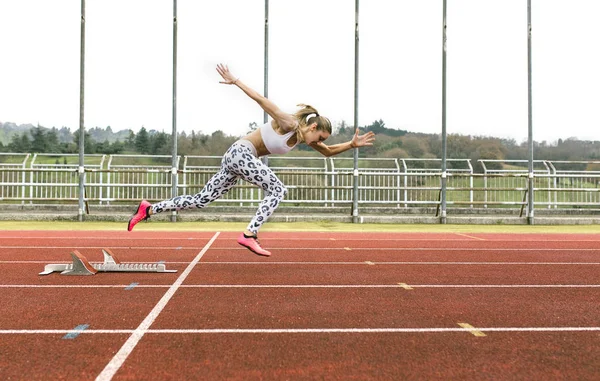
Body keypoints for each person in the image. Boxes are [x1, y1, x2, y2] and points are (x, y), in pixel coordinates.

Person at [127, 63, 375, 256]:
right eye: (319, 136)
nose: (318, 142)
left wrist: (352, 145)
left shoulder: (303, 139)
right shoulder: (289, 123)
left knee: (201, 200)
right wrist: (235, 81)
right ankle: (250, 234)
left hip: (237, 160)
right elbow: (260, 99)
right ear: (311, 126)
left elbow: (329, 151)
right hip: (241, 154)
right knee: (278, 189)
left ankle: (149, 209)